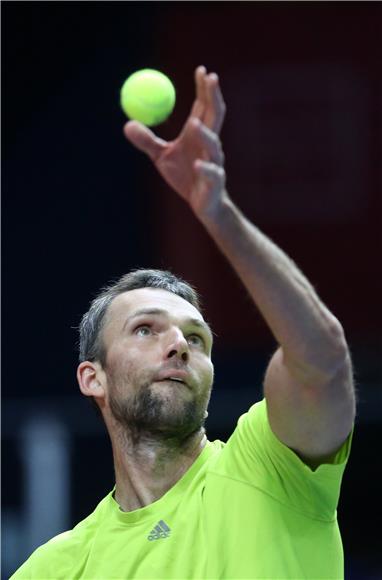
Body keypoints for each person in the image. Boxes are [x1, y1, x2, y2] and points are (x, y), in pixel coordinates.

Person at [12, 66, 356, 579]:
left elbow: (323, 360)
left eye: (196, 337)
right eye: (146, 329)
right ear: (93, 377)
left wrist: (218, 215)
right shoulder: (57, 568)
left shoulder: (269, 465)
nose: (179, 345)